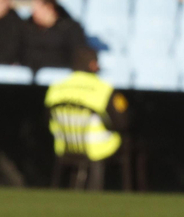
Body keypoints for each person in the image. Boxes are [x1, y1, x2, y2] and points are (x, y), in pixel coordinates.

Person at [45, 46, 127, 190]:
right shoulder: (105, 88)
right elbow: (122, 122)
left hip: (63, 146)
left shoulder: (55, 87)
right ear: (93, 64)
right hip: (97, 147)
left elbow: (46, 120)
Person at [21, 0, 87, 70]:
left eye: (36, 9)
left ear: (49, 7)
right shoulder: (27, 27)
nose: (32, 12)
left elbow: (79, 53)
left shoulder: (69, 28)